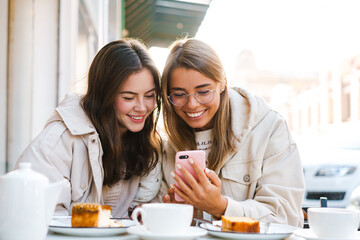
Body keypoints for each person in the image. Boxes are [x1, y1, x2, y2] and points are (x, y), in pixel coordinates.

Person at [159, 38, 305, 227]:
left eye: (203, 92)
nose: (192, 104)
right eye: (179, 94)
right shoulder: (167, 142)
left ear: (221, 83)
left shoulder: (269, 127)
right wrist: (183, 215)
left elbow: (287, 217)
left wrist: (221, 207)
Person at [15, 38, 162, 217]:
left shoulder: (144, 142)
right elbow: (38, 216)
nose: (142, 107)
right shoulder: (57, 142)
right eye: (128, 98)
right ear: (104, 95)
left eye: (149, 95)